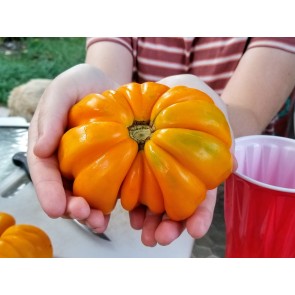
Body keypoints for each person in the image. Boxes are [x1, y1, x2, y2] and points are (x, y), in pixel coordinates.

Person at [27, 37, 295, 247]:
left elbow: (247, 115)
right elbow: (111, 93)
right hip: (159, 171)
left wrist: (206, 125)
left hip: (252, 195)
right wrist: (89, 84)